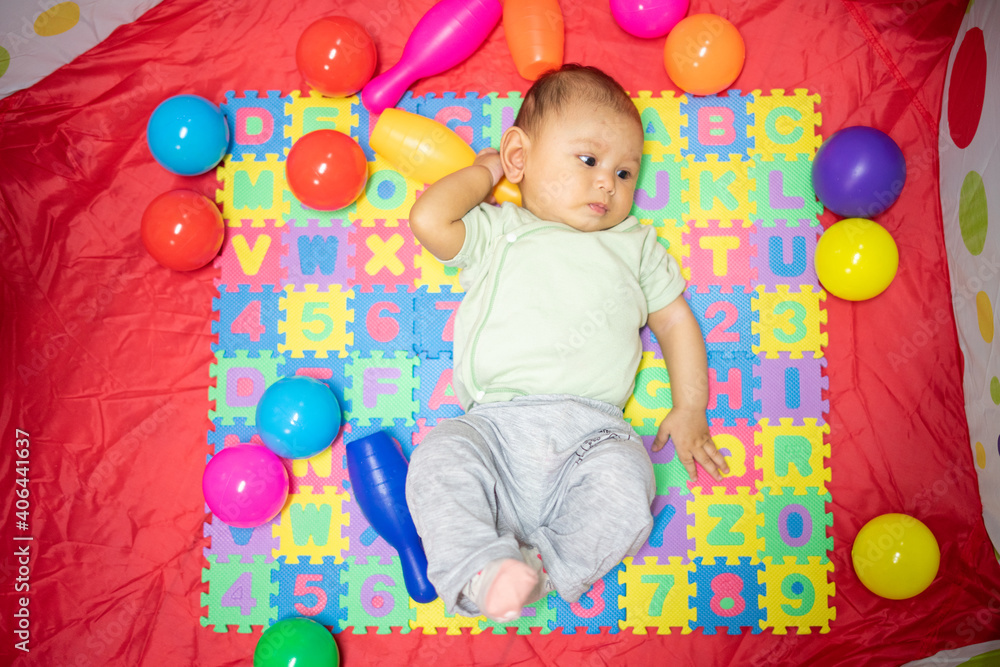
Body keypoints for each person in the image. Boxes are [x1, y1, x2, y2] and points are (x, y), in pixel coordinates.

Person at [403, 64, 728, 623]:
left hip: (593, 435)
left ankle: (539, 569)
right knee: (437, 460)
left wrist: (690, 403)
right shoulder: (499, 230)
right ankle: (482, 567)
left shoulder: (635, 245)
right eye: (589, 160)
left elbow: (675, 321)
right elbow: (430, 219)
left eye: (626, 173)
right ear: (520, 158)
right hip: (494, 431)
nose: (608, 183)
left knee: (631, 485)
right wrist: (482, 173)